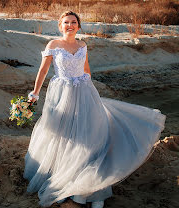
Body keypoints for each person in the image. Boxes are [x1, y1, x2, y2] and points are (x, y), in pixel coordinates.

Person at [23, 11, 166, 208]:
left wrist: (91, 91)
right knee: (65, 136)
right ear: (60, 25)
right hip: (62, 93)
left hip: (84, 91)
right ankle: (62, 182)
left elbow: (87, 69)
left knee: (89, 134)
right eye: (66, 22)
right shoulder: (53, 45)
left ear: (79, 26)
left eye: (74, 22)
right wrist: (35, 93)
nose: (70, 25)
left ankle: (88, 188)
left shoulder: (82, 45)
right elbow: (43, 70)